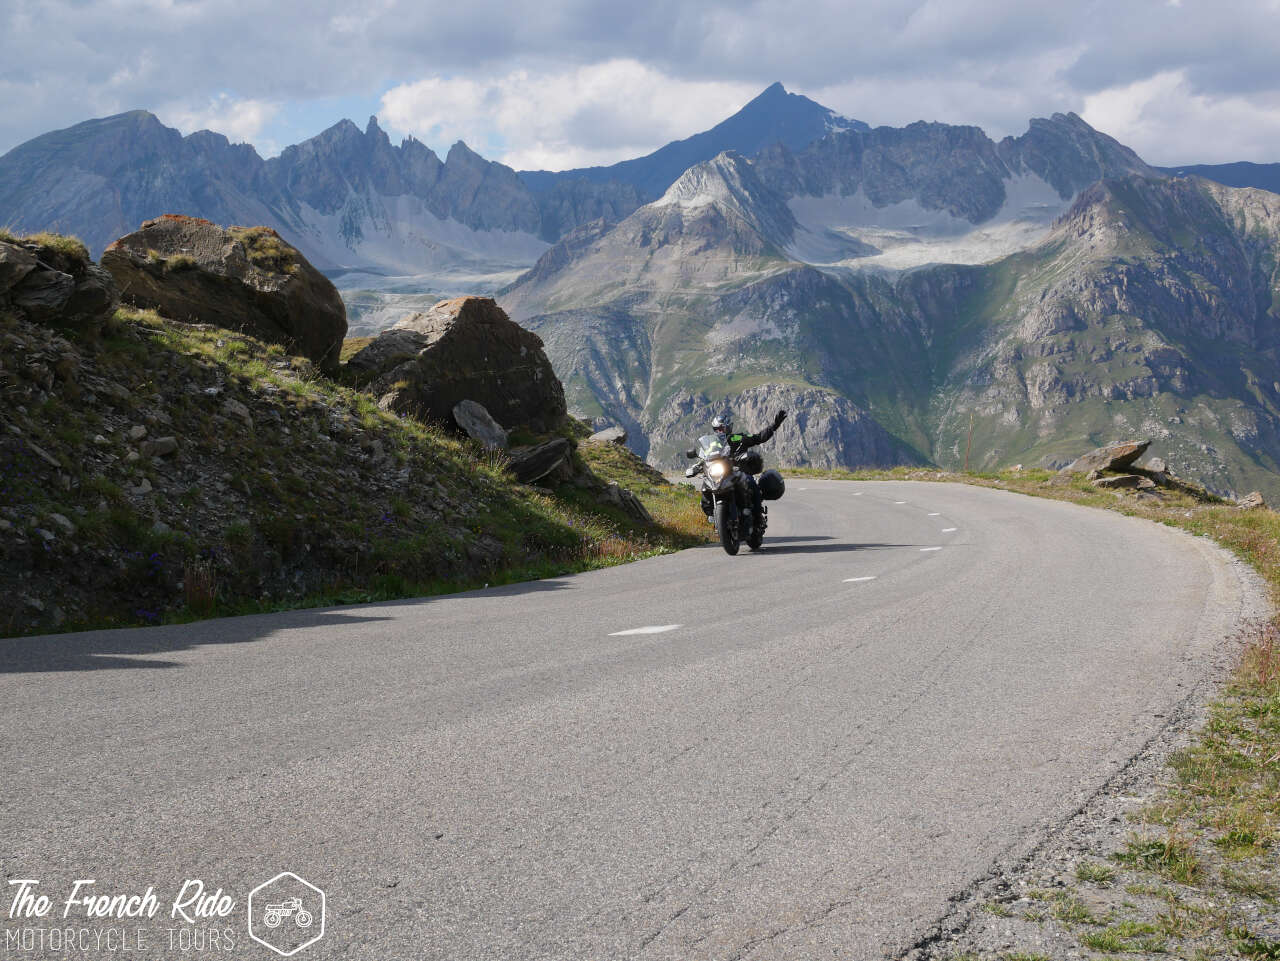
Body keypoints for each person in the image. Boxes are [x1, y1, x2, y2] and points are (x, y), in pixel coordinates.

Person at [710, 408, 786, 536]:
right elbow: (706, 455)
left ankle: (757, 518)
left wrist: (774, 426)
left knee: (751, 484)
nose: (720, 431)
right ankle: (713, 516)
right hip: (720, 474)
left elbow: (758, 437)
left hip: (738, 472)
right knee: (705, 487)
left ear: (728, 428)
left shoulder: (738, 438)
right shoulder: (713, 444)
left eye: (722, 428)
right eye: (717, 429)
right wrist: (699, 464)